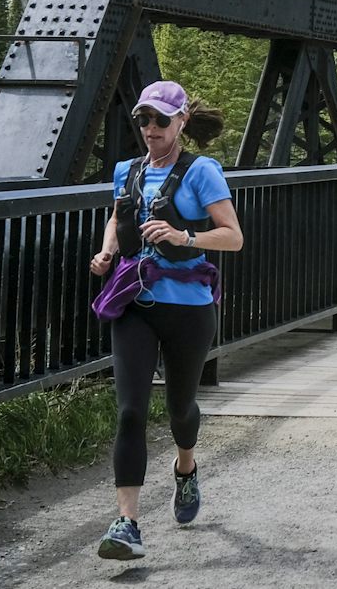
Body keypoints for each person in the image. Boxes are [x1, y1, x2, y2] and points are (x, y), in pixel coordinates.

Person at [88, 80, 244, 561]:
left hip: (189, 310)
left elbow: (233, 237)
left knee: (179, 408)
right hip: (135, 303)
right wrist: (107, 250)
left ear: (180, 122)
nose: (150, 129)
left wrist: (183, 236)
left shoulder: (201, 173)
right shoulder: (126, 171)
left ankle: (186, 466)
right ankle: (127, 523)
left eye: (159, 120)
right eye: (143, 120)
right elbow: (119, 217)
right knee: (131, 410)